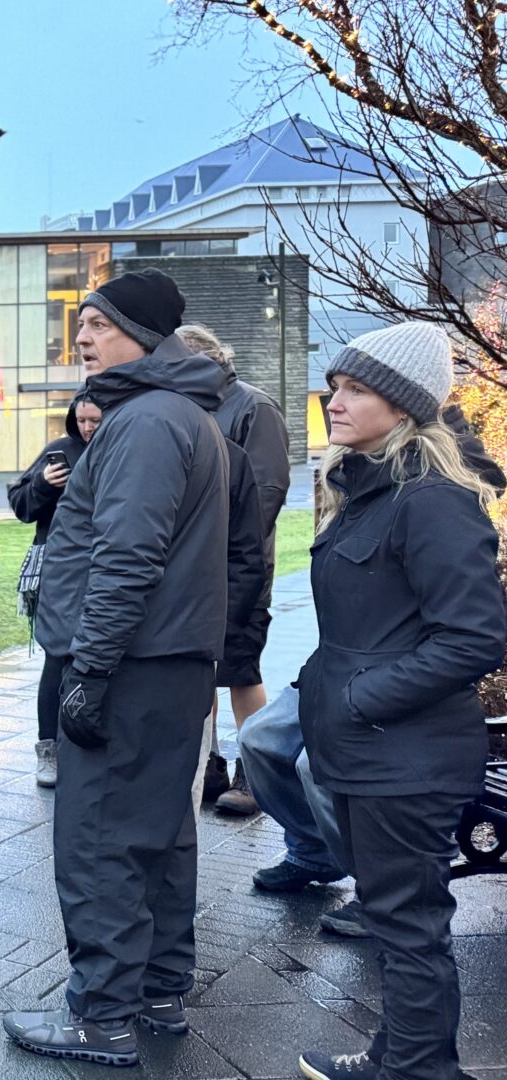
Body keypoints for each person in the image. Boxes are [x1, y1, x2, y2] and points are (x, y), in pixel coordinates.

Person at [3, 269, 230, 1067]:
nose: (84, 339)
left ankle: (101, 1016)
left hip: (129, 666)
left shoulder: (142, 423)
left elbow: (127, 558)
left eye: (97, 324)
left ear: (143, 334)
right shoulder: (184, 416)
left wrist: (90, 670)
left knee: (100, 840)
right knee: (161, 834)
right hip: (169, 663)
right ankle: (157, 994)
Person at [291, 322, 507, 1080]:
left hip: (403, 754)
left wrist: (359, 697)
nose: (334, 401)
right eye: (334, 387)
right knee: (392, 919)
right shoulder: (369, 488)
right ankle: (403, 1054)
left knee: (410, 925)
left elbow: (475, 638)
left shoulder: (432, 499)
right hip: (367, 748)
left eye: (355, 389)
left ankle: (418, 1070)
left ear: (405, 404)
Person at [176, 324, 292, 815]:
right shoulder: (189, 405)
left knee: (241, 670)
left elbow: (263, 497)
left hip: (238, 568)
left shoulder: (253, 407)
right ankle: (214, 766)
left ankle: (256, 773)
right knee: (205, 670)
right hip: (194, 568)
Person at [6, 391, 101, 788]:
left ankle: (86, 744)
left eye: (95, 419)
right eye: (81, 420)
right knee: (56, 657)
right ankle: (48, 748)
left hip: (103, 567)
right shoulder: (59, 450)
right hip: (56, 570)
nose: (88, 428)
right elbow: (21, 505)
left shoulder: (125, 446)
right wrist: (43, 484)